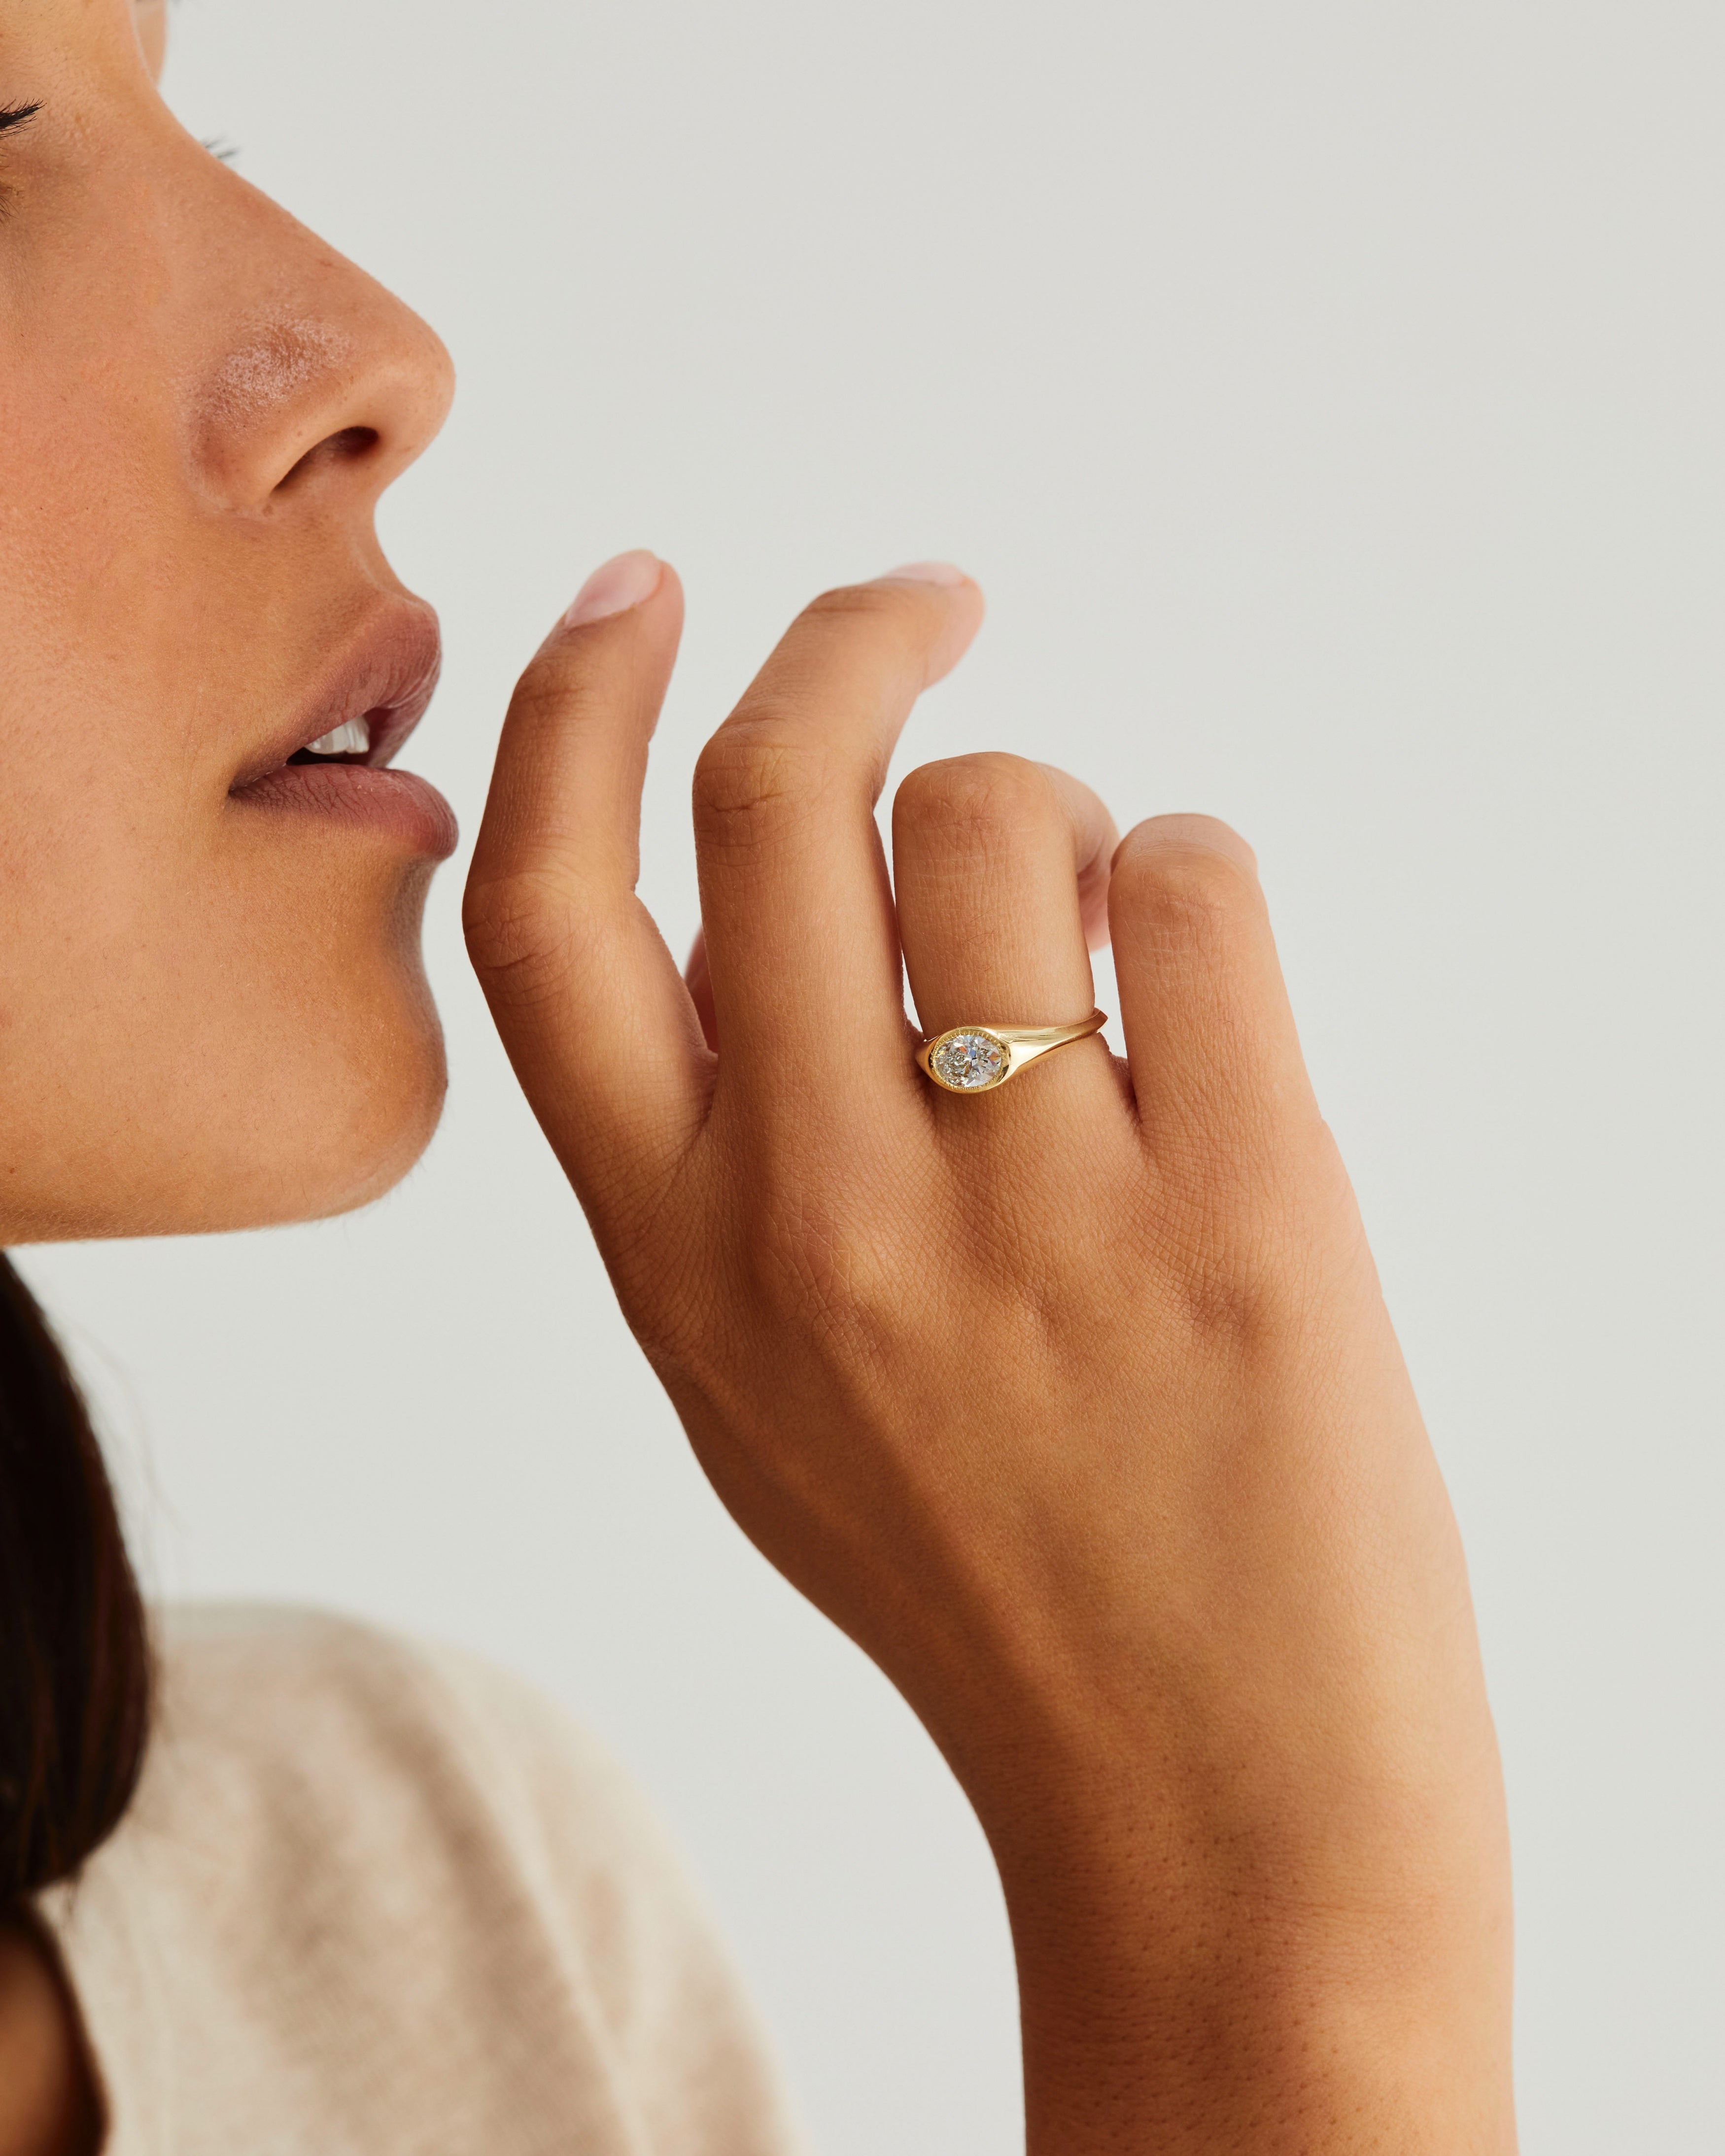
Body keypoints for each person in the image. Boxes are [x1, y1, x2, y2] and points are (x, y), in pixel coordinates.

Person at [0, 2, 1516, 2150]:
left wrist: (1228, 1883)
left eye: (193, 115)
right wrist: (1277, 1917)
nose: (373, 351)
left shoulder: (427, 1892)